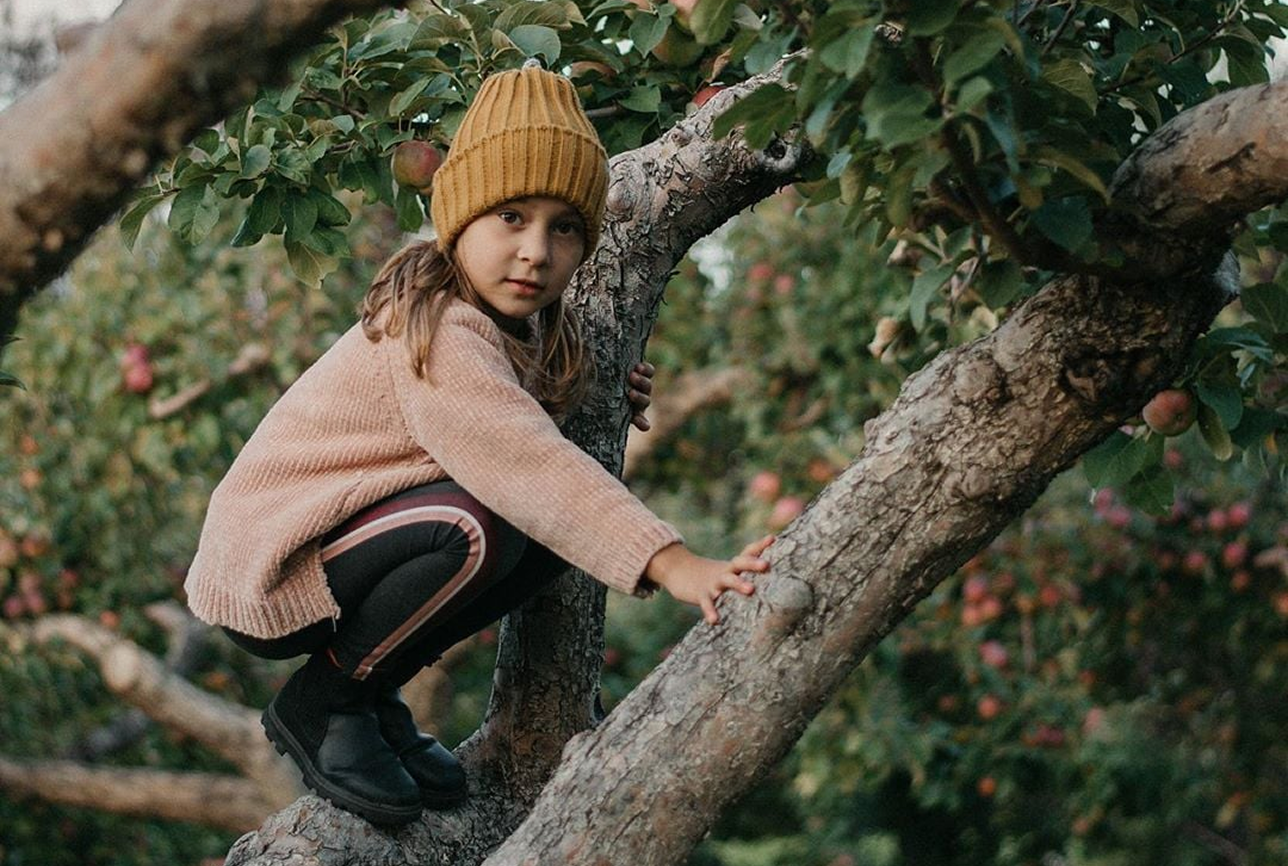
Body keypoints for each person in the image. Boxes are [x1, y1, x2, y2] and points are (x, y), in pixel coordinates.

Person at [183, 60, 773, 827]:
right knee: (479, 522)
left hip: (343, 549)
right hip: (275, 567)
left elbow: (513, 423)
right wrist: (677, 563)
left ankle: (370, 693)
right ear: (461, 217)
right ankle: (325, 702)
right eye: (512, 218)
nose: (536, 251)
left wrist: (603, 391)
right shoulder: (439, 324)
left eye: (565, 228)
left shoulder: (515, 329)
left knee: (544, 537)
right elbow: (522, 460)